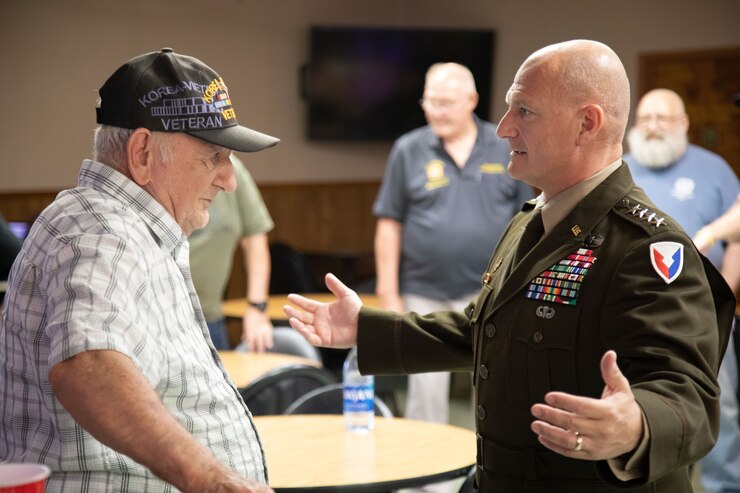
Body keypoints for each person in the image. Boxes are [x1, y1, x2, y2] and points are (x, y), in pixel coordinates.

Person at [284, 40, 736, 492]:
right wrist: (365, 329)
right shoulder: (533, 219)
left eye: (525, 111)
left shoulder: (649, 246)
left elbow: (690, 395)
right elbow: (485, 331)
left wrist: (637, 425)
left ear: (587, 123)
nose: (502, 129)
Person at [0, 48, 278, 493]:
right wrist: (211, 480)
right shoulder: (97, 228)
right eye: (214, 156)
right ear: (143, 152)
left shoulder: (124, 225)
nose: (230, 179)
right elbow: (88, 364)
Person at [373, 63, 532, 436]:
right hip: (423, 292)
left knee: (496, 389)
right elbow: (388, 223)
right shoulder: (408, 149)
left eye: (446, 102)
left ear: (472, 101)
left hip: (492, 292)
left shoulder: (505, 143)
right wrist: (388, 291)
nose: (437, 110)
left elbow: (528, 220)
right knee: (424, 395)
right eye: (430, 101)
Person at [624, 89, 740, 493]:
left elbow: (738, 234)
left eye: (663, 118)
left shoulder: (715, 169)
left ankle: (724, 486)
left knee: (718, 402)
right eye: (646, 118)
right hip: (632, 316)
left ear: (684, 123)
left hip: (702, 315)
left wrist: (723, 295)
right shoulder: (618, 168)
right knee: (643, 403)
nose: (653, 126)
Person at [189, 154, 275, 351]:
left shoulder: (232, 168)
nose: (228, 182)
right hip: (161, 322)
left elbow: (255, 237)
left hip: (210, 318)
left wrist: (257, 308)